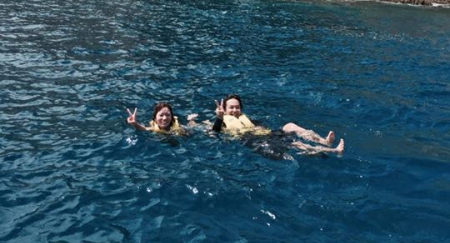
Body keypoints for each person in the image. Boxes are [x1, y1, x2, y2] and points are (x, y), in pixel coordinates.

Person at [212, 94, 344, 155]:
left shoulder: (244, 118)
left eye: (237, 107)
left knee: (290, 126)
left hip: (268, 134)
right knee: (294, 144)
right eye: (231, 108)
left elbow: (259, 126)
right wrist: (219, 118)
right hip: (255, 140)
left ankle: (324, 141)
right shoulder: (222, 121)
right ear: (224, 109)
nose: (235, 110)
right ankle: (333, 150)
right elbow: (215, 131)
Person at [126, 102, 197, 134]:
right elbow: (143, 129)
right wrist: (134, 123)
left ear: (171, 116)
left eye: (168, 115)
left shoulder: (178, 127)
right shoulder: (153, 128)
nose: (165, 118)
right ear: (155, 117)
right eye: (161, 115)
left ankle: (190, 119)